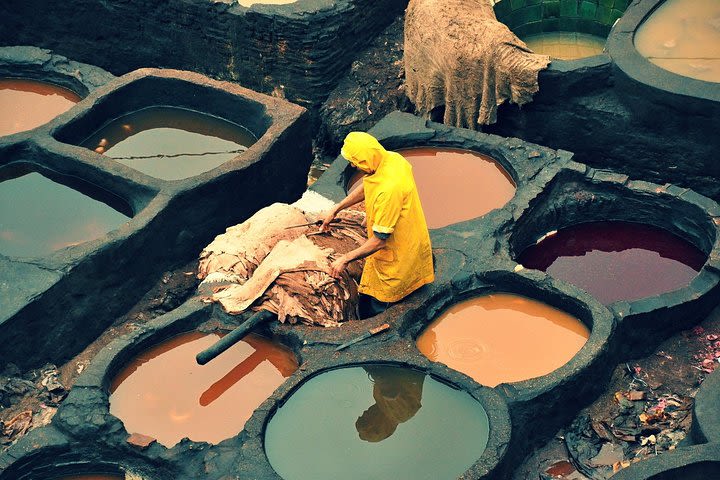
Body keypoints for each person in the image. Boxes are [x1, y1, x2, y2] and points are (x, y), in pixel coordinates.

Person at [320, 131, 434, 317]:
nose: (352, 165)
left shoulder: (389, 191)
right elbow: (369, 185)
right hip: (411, 232)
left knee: (383, 302)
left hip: (397, 251)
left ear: (365, 160)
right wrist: (337, 208)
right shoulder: (391, 159)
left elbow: (380, 241)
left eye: (354, 162)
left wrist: (344, 259)